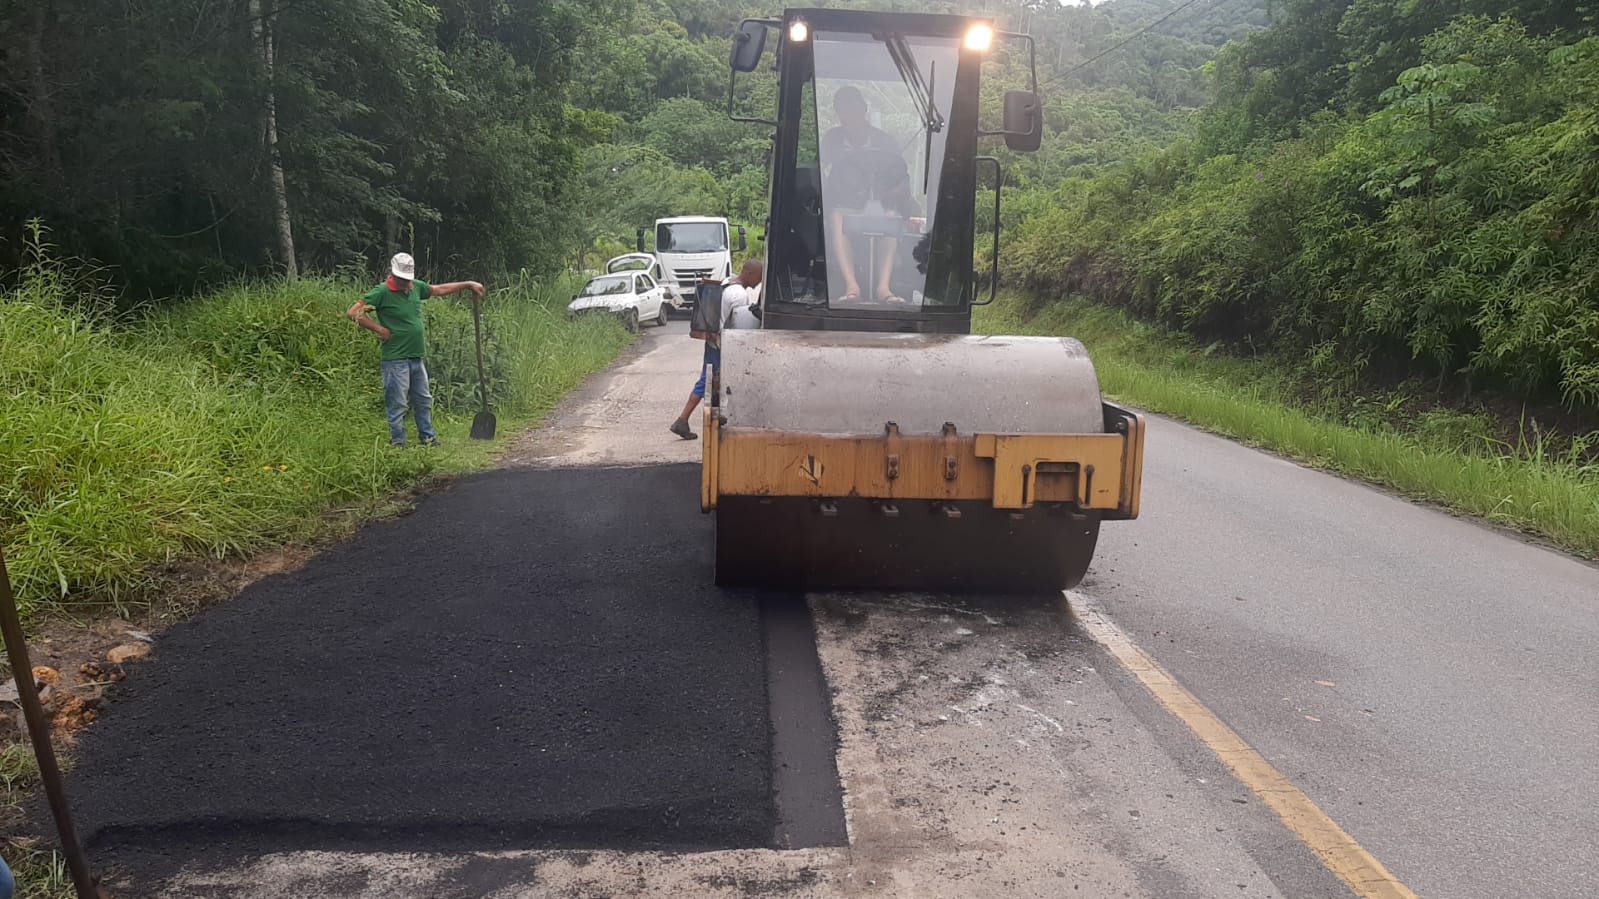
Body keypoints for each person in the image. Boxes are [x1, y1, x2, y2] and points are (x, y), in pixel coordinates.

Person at [346, 252, 485, 447]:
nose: (406, 283)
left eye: (407, 279)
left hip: (416, 357)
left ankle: (428, 438)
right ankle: (398, 442)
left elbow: (439, 289)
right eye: (402, 279)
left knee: (423, 399)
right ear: (393, 275)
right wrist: (379, 329)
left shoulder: (415, 287)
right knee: (398, 402)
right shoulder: (381, 292)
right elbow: (353, 312)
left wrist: (468, 284)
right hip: (395, 359)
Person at [819, 86, 923, 304]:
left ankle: (884, 288)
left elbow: (903, 183)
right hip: (845, 206)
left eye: (852, 109)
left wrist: (892, 194)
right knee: (837, 218)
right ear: (838, 113)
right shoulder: (831, 140)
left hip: (882, 205)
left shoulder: (886, 142)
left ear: (863, 110)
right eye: (843, 110)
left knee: (891, 218)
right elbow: (819, 172)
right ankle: (852, 287)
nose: (848, 115)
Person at [669, 259, 764, 440]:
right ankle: (684, 420)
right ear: (750, 273)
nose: (759, 282)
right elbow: (738, 326)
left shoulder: (727, 282)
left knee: (708, 379)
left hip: (712, 340)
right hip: (722, 344)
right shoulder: (739, 295)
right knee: (711, 380)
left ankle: (685, 420)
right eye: (758, 277)